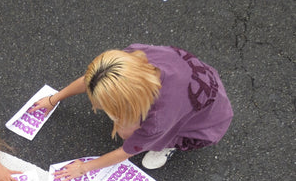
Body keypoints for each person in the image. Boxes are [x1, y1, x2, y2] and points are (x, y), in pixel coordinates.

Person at [30, 44, 233, 174]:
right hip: (201, 86)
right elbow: (91, 80)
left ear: (130, 103)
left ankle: (168, 146)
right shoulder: (130, 60)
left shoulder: (157, 120)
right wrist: (54, 98)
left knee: (126, 132)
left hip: (204, 127)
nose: (99, 107)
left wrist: (84, 168)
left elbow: (126, 150)